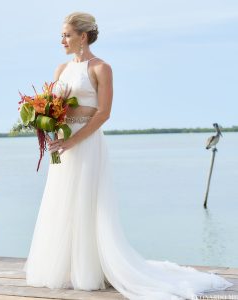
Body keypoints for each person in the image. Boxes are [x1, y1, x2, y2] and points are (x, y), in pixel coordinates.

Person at [23, 12, 233, 299]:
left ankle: (90, 269)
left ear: (83, 37)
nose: (62, 40)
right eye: (61, 35)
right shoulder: (60, 69)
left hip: (85, 145)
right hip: (62, 146)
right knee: (61, 202)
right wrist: (50, 128)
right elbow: (55, 109)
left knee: (86, 202)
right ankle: (64, 268)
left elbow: (104, 113)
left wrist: (74, 139)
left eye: (67, 35)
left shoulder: (101, 68)